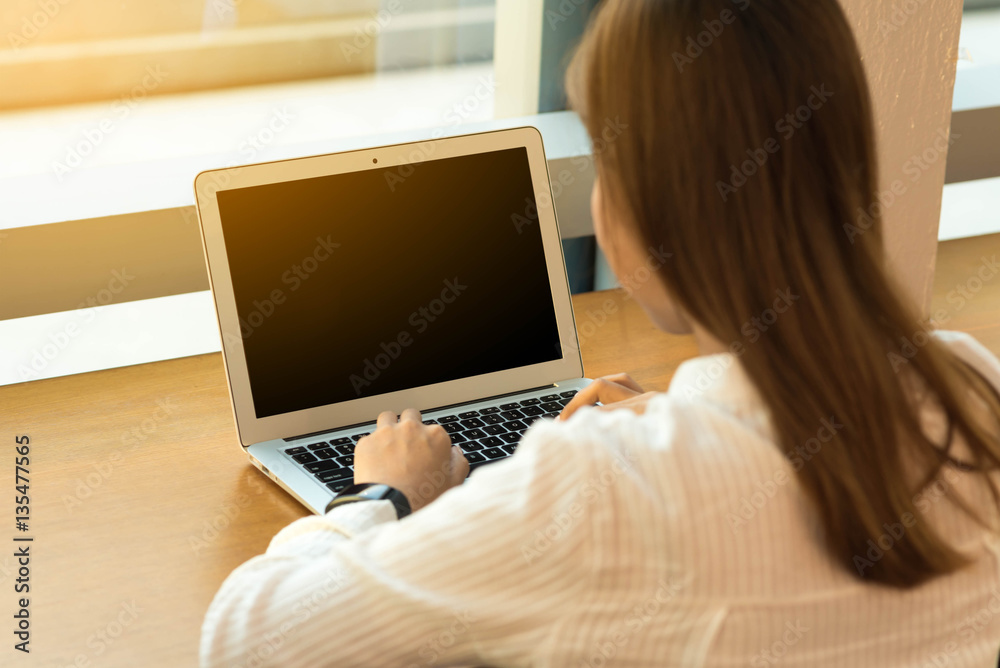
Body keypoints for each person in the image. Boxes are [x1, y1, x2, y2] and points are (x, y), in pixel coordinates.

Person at [200, 1, 1000, 665]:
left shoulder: (600, 495)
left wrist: (382, 494)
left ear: (647, 212)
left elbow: (245, 643)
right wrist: (678, 428)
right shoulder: (969, 389)